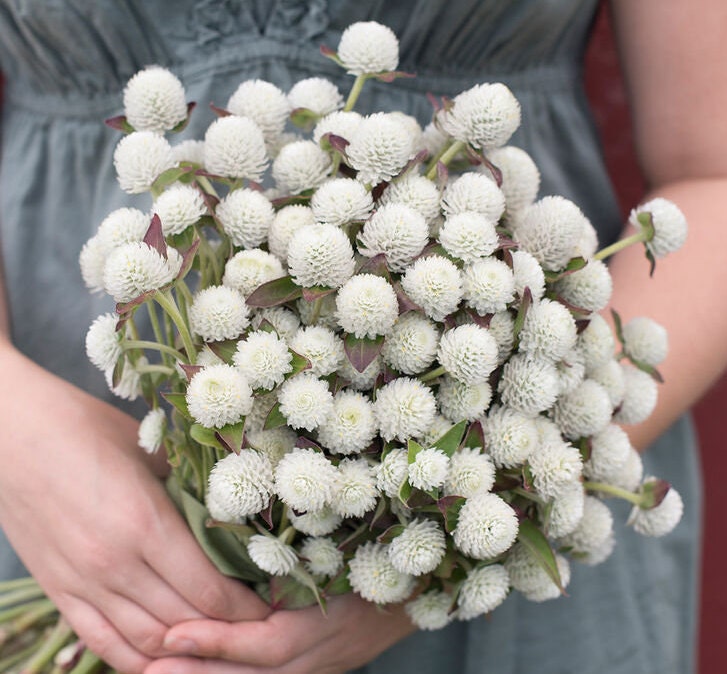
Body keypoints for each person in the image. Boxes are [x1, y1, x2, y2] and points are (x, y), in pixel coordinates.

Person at [0, 1, 724, 672]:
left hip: (495, 460)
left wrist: (442, 541)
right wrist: (16, 433)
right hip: (50, 492)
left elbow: (714, 171)